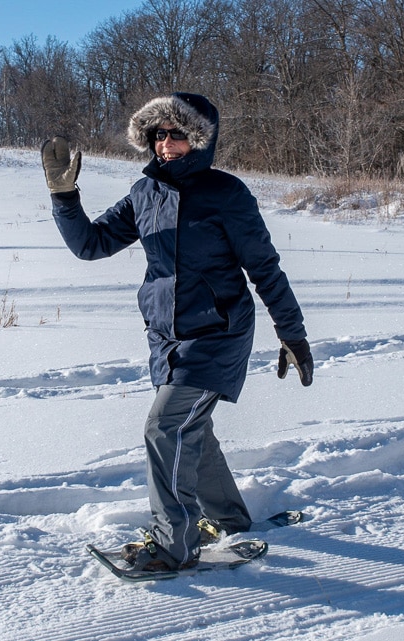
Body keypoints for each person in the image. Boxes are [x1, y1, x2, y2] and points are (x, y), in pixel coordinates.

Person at [41, 92, 313, 572]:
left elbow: (265, 269)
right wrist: (64, 196)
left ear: (200, 140)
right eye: (159, 135)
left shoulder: (227, 194)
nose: (166, 144)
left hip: (218, 333)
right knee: (193, 430)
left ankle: (173, 545)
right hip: (166, 337)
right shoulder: (144, 194)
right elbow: (91, 244)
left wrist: (292, 334)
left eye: (178, 134)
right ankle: (228, 519)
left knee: (165, 427)